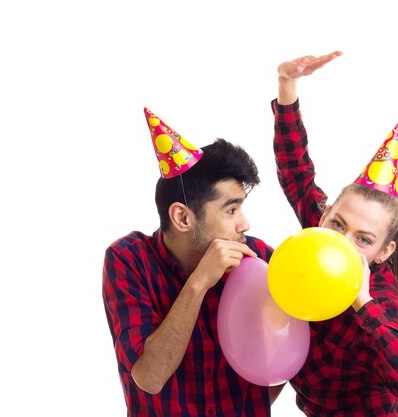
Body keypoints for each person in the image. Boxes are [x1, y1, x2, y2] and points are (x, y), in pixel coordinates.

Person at [271, 52, 398, 416]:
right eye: (337, 223)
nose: (341, 243)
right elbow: (296, 172)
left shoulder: (381, 300)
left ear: (383, 252)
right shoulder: (319, 239)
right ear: (327, 215)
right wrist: (288, 86)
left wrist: (363, 304)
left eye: (364, 239)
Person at [102, 108, 280, 417]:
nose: (245, 224)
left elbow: (285, 358)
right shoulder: (128, 259)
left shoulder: (260, 258)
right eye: (231, 210)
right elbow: (149, 377)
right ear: (183, 217)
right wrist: (200, 281)